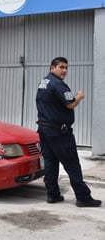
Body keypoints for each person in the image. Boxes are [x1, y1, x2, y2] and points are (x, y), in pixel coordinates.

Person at [36, 57, 101, 207]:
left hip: (44, 130)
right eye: (61, 67)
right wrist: (79, 97)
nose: (64, 70)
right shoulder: (58, 84)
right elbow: (71, 104)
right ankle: (83, 197)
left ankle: (52, 194)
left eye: (66, 68)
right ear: (52, 68)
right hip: (59, 132)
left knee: (51, 163)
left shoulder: (44, 82)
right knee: (72, 164)